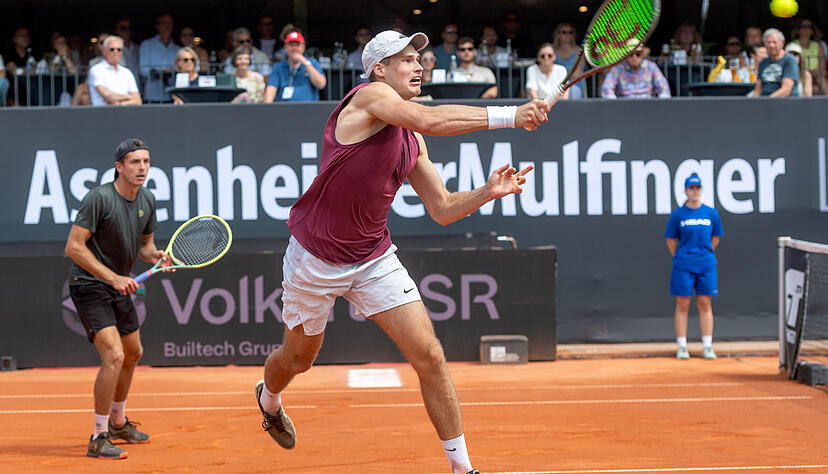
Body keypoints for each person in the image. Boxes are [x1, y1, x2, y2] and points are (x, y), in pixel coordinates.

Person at [253, 29, 551, 474]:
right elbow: (429, 118)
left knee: (429, 355)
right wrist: (512, 115)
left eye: (420, 58)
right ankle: (269, 398)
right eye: (407, 59)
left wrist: (488, 191)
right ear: (379, 69)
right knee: (298, 359)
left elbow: (444, 209)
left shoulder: (410, 142)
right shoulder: (368, 97)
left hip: (374, 258)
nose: (419, 65)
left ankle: (462, 468)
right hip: (315, 259)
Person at [64, 138, 173, 459]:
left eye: (146, 162)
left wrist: (155, 257)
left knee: (133, 352)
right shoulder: (99, 199)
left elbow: (143, 247)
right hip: (89, 285)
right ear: (119, 167)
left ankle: (118, 422)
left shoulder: (147, 199)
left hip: (118, 285)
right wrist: (111, 277)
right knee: (114, 356)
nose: (142, 168)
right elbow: (73, 247)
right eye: (134, 162)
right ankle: (98, 436)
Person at [664, 174, 723, 360]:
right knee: (683, 304)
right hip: (683, 265)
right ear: (685, 191)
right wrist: (681, 256)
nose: (694, 191)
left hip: (706, 264)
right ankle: (682, 345)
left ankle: (707, 345)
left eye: (697, 188)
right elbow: (670, 239)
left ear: (701, 190)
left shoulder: (711, 213)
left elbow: (715, 238)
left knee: (705, 303)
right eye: (691, 188)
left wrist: (704, 253)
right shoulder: (678, 214)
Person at [263, 31, 325, 102]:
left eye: (297, 45)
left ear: (303, 47)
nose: (294, 48)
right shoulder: (278, 67)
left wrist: (305, 62)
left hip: (309, 109)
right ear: (285, 47)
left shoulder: (312, 63)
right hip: (285, 109)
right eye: (291, 45)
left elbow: (321, 84)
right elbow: (270, 91)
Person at [601, 40, 670, 99]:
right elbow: (607, 87)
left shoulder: (651, 67)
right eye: (631, 54)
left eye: (638, 54)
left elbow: (663, 87)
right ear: (626, 56)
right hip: (624, 107)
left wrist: (663, 101)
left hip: (648, 106)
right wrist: (612, 99)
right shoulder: (617, 69)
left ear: (642, 55)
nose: (634, 57)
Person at [88, 35, 142, 107]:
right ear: (104, 50)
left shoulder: (127, 72)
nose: (115, 52)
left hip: (124, 114)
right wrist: (129, 97)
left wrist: (120, 104)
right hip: (101, 114)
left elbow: (138, 100)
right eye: (112, 49)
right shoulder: (96, 70)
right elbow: (108, 96)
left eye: (119, 49)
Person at [139, 13, 180, 103]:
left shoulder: (177, 48)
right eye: (165, 22)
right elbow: (143, 70)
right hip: (153, 96)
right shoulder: (147, 44)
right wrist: (161, 72)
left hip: (173, 97)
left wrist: (173, 71)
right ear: (158, 26)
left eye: (170, 22)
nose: (168, 25)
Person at [753, 28, 798, 98]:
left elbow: (786, 90)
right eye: (768, 42)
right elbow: (758, 89)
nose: (771, 45)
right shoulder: (763, 62)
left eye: (774, 42)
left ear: (782, 43)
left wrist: (766, 101)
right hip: (764, 102)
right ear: (764, 44)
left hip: (784, 103)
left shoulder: (789, 60)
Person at [789, 18, 827, 95]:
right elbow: (791, 68)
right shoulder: (792, 46)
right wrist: (809, 72)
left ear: (812, 30)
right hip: (800, 77)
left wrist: (811, 72)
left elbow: (823, 70)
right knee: (814, 88)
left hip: (817, 78)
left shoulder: (818, 46)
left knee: (821, 80)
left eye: (809, 27)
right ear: (798, 29)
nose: (806, 29)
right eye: (803, 26)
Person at [552, 23, 585, 99]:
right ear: (558, 35)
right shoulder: (552, 51)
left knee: (574, 92)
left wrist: (560, 74)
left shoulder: (579, 51)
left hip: (574, 83)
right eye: (564, 32)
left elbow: (577, 73)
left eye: (570, 32)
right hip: (556, 83)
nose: (567, 34)